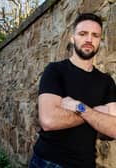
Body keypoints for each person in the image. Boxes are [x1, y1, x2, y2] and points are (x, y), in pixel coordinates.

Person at [29, 13, 116, 168]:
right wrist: (98, 113)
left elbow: (114, 129)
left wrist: (80, 108)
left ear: (100, 41)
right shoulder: (55, 71)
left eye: (95, 35)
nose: (89, 39)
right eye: (83, 34)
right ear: (72, 38)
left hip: (86, 163)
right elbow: (48, 120)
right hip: (48, 162)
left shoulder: (107, 82)